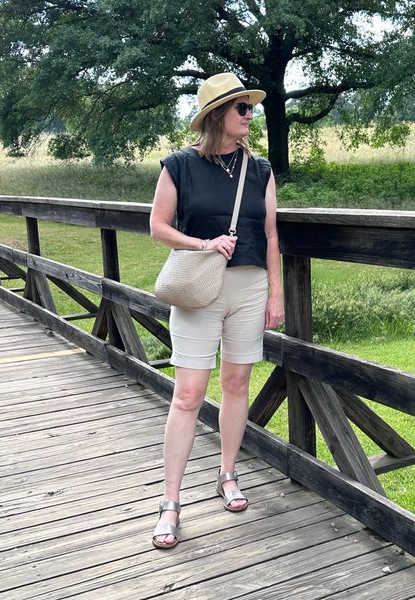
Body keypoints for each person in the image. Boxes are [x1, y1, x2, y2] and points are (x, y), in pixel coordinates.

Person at [149, 72, 284, 549]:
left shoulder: (261, 170)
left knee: (237, 383)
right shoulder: (179, 167)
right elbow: (158, 227)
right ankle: (170, 503)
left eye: (250, 108)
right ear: (216, 117)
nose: (250, 115)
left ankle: (228, 474)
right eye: (241, 108)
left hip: (249, 288)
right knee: (188, 394)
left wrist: (275, 294)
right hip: (198, 289)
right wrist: (204, 243)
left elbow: (269, 235)